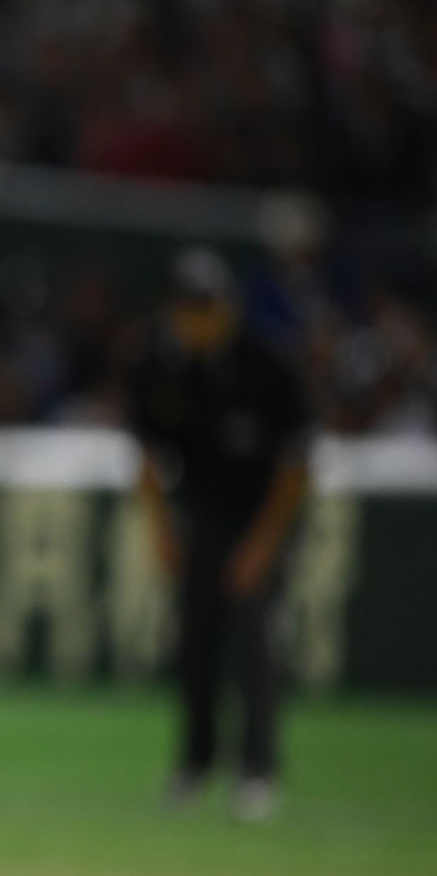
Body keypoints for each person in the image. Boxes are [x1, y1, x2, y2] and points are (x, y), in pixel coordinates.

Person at [128, 247, 312, 822]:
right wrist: (159, 529)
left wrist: (264, 544)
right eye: (187, 308)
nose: (197, 319)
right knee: (194, 644)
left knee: (253, 640)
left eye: (206, 307)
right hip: (201, 516)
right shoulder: (164, 367)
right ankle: (196, 762)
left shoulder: (268, 365)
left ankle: (257, 770)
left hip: (262, 515)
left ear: (228, 307)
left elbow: (296, 463)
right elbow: (147, 457)